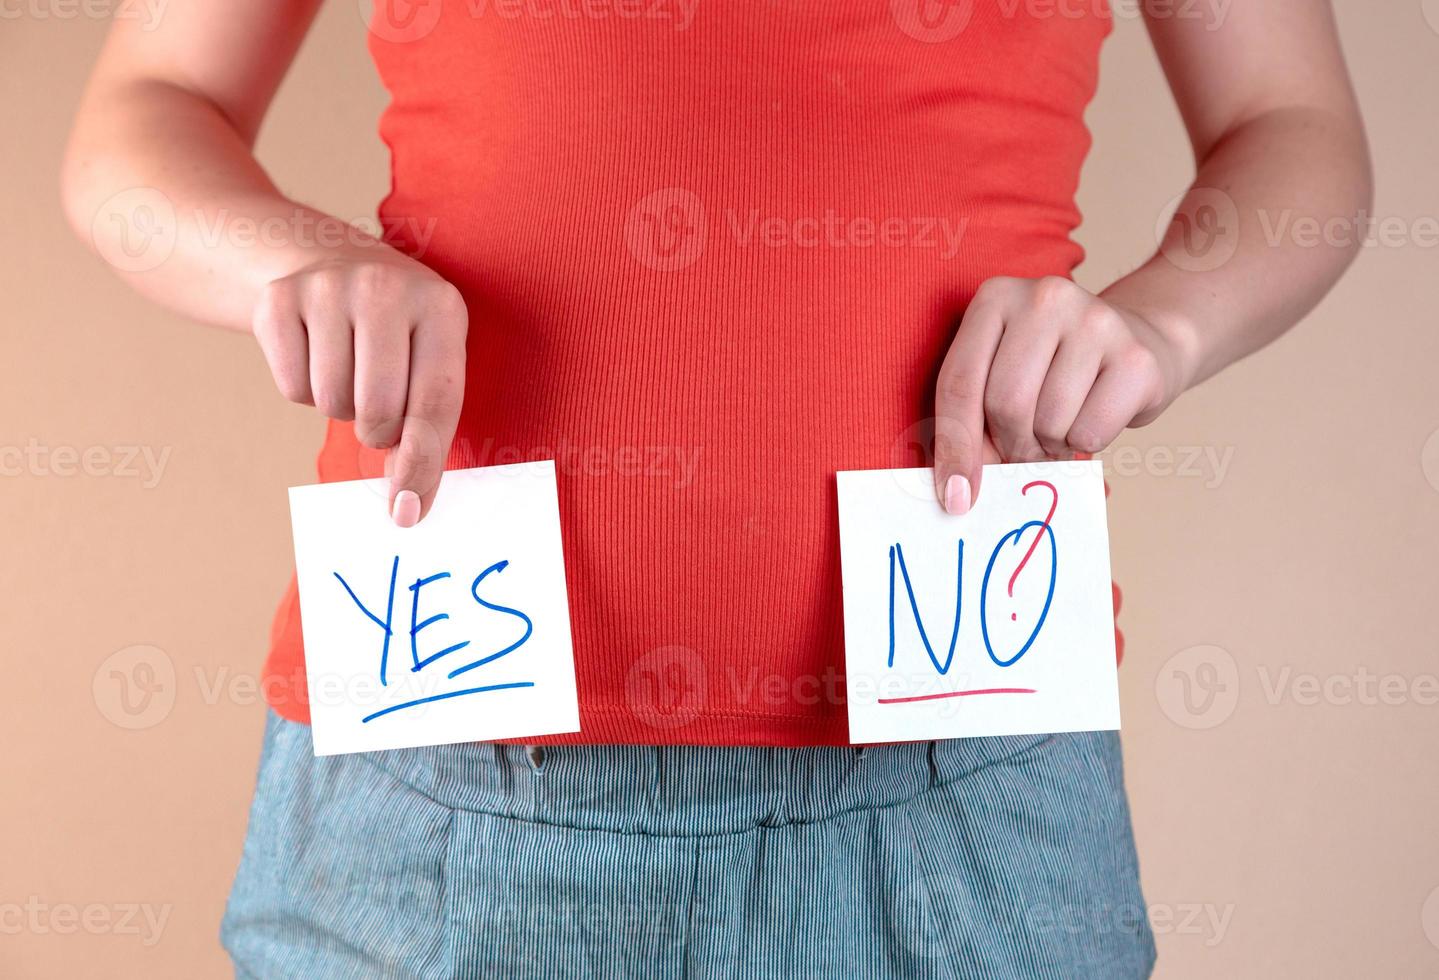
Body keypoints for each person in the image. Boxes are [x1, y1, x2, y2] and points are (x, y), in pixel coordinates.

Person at [62, 1, 1369, 976]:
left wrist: (1164, 326)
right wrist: (288, 262)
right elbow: (153, 101)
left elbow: (1290, 123)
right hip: (436, 748)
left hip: (968, 760)